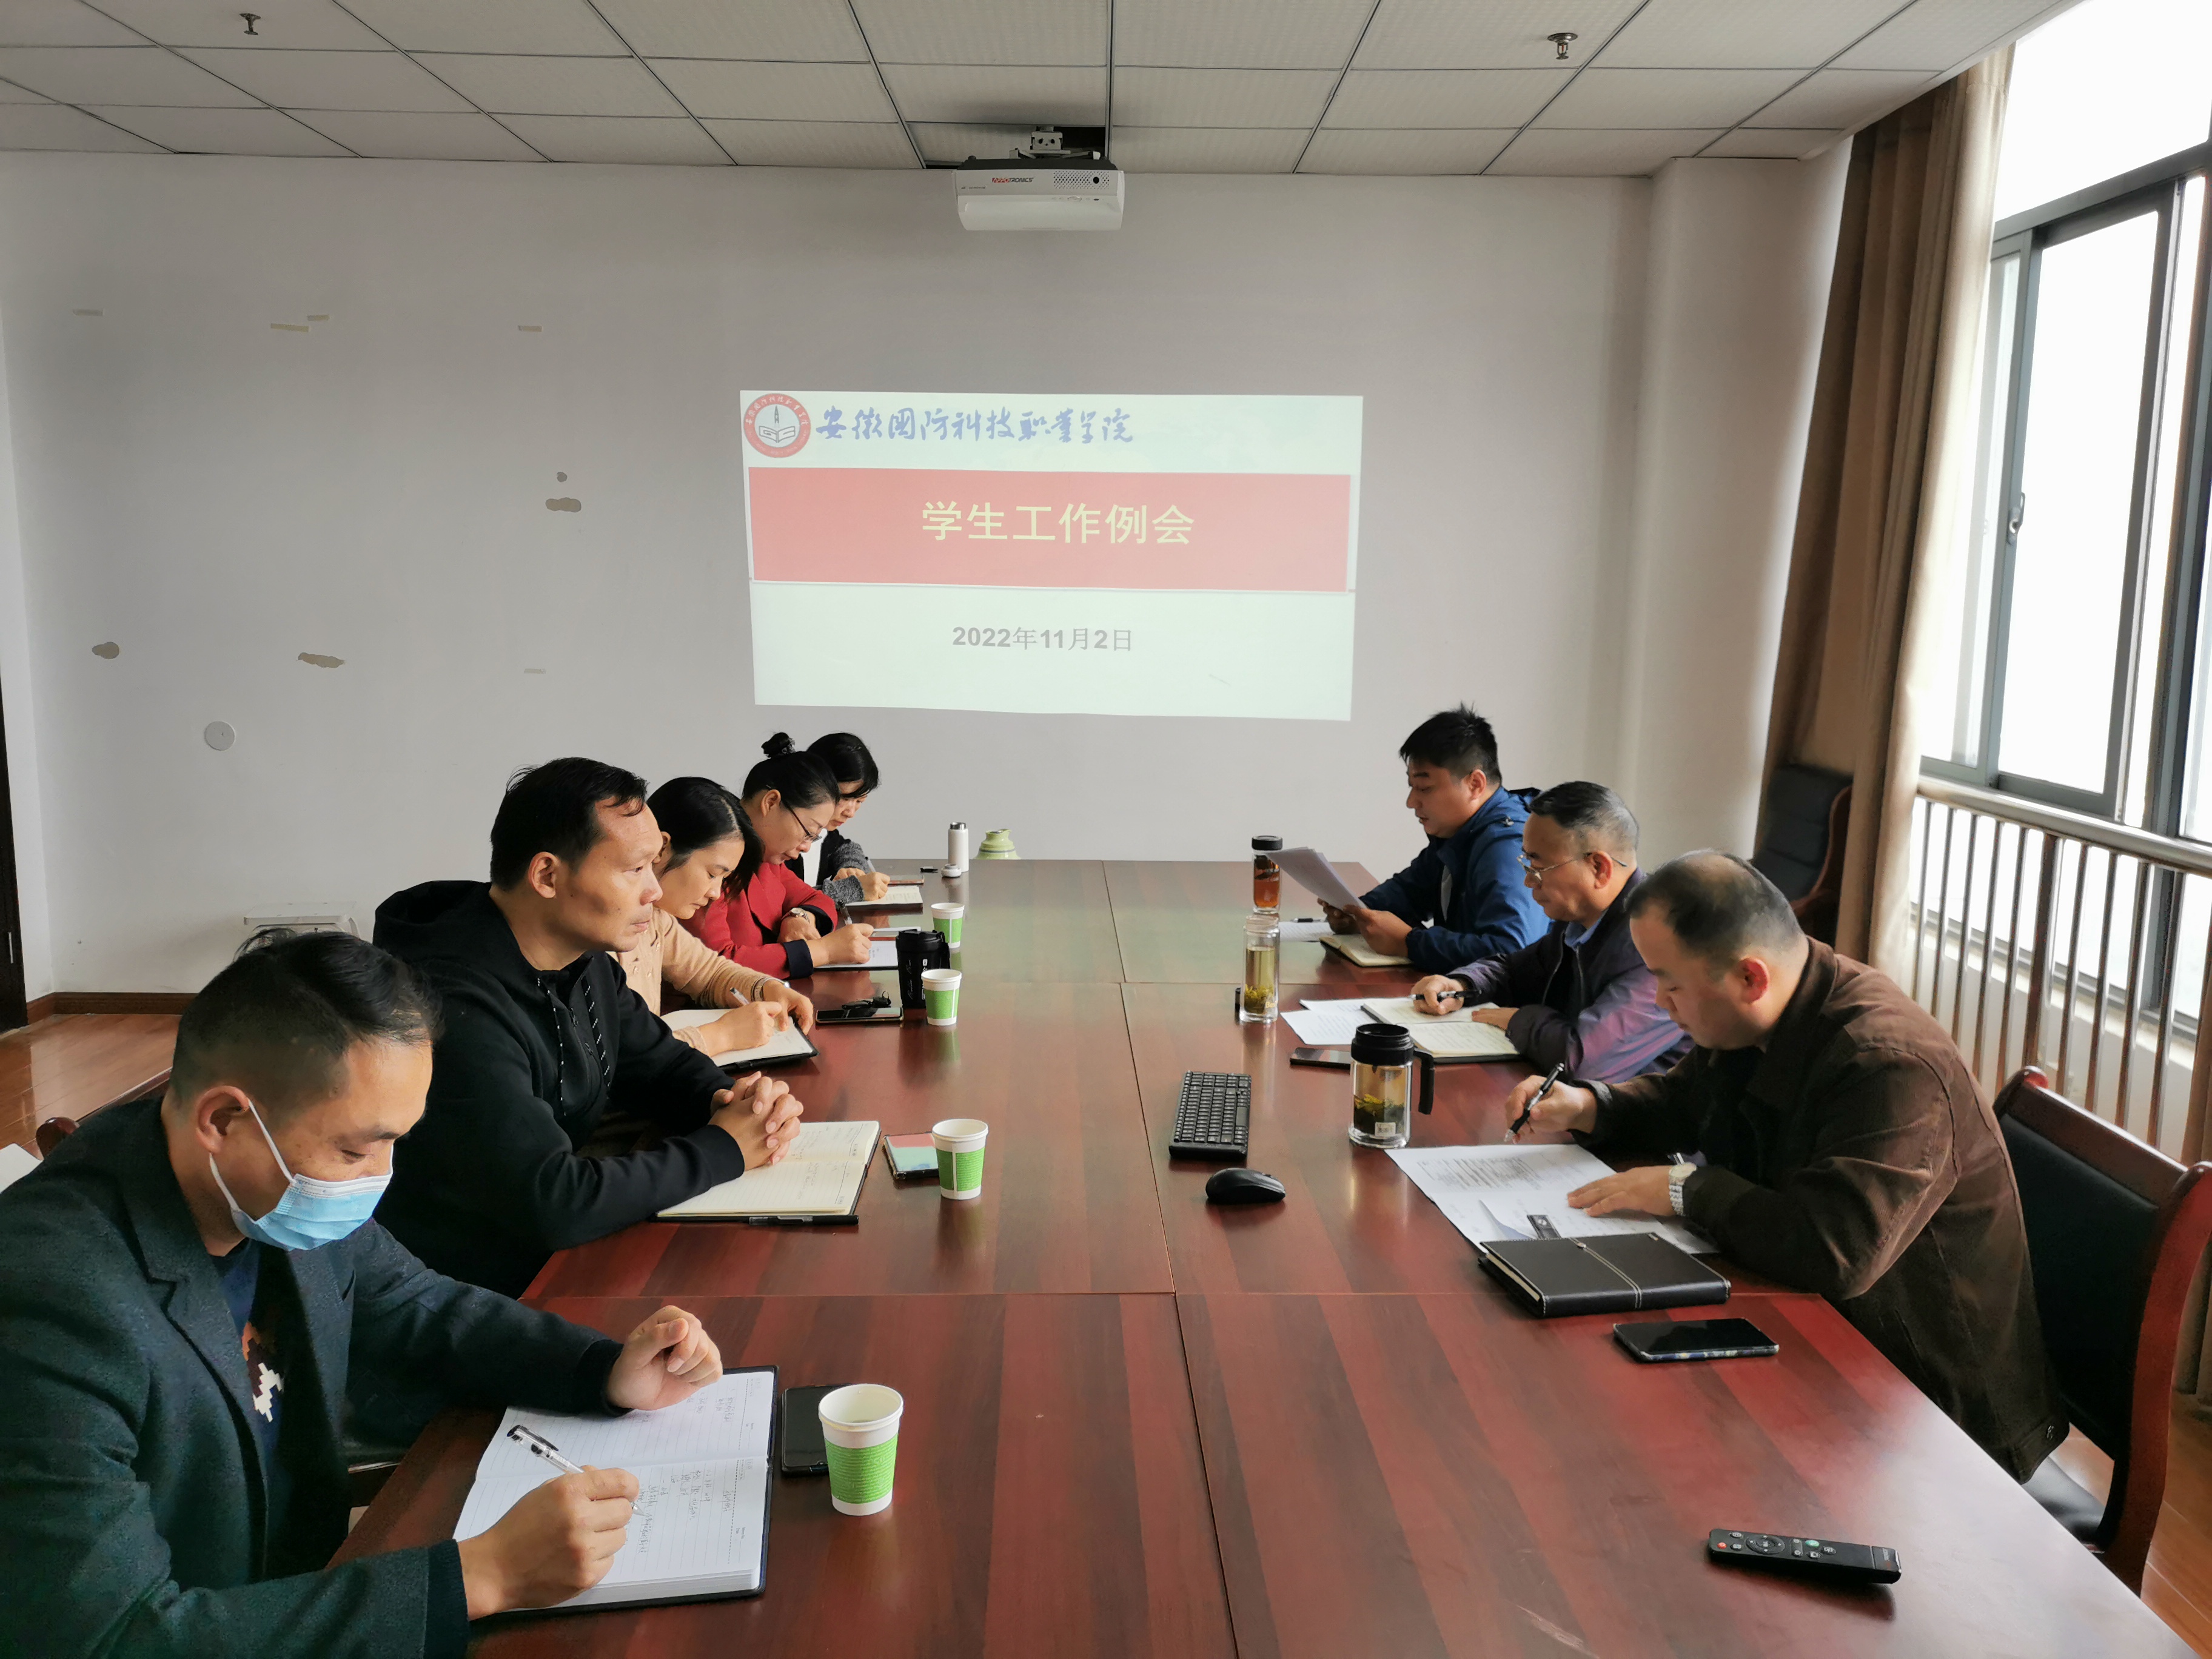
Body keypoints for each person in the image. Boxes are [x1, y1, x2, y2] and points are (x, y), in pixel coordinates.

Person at [0, 930, 734, 1656]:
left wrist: (601, 1370)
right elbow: (108, 1638)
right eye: (356, 1148)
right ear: (223, 1120)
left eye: (394, 1142)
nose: (379, 1176)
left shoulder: (265, 1184)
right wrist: (481, 1577)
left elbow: (418, 1305)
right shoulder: (53, 1301)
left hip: (308, 1591)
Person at [1503, 851, 2066, 1480]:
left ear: (1750, 977)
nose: (1660, 1002)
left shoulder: (1888, 1063)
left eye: (1670, 983)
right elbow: (1686, 1102)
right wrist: (1591, 1105)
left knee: (1647, 1458)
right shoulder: (1763, 1009)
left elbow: (1836, 1251)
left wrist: (1688, 1190)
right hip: (1813, 1330)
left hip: (1928, 1403)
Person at [373, 757, 805, 1296]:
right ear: (547, 876)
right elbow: (553, 1200)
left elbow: (658, 1062)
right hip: (465, 1288)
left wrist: (730, 1100)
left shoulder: (583, 956)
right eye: (635, 869)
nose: (654, 891)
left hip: (551, 1253)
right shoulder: (450, 1003)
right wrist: (726, 1148)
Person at [1406, 781, 1689, 1084]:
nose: (1529, 882)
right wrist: (1461, 985)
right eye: (1527, 863)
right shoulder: (1579, 919)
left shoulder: (1657, 945)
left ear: (1598, 868)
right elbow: (1514, 970)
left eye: (1538, 867)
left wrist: (1519, 1020)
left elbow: (1583, 1062)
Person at [1321, 705, 1547, 972]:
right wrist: (1358, 913)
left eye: (1425, 788)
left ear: (1475, 784)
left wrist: (1409, 943)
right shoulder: (1460, 832)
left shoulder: (1508, 845)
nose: (1411, 802)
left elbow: (1512, 951)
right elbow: (1410, 892)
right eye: (1412, 787)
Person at [621, 775, 816, 1053]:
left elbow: (709, 973)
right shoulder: (606, 932)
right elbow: (623, 1057)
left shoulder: (658, 919)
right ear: (662, 848)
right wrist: (722, 1036)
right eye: (713, 874)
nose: (715, 893)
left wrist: (768, 989)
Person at [685, 737, 874, 977]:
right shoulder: (712, 858)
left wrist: (799, 917)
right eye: (807, 833)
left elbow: (817, 898)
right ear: (771, 802)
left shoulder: (768, 858)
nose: (806, 848)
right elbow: (716, 964)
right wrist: (823, 951)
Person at [790, 731, 893, 905]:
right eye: (845, 798)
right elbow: (785, 902)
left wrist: (851, 869)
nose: (851, 812)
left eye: (860, 801)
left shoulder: (822, 833)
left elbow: (846, 847)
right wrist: (854, 889)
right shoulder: (781, 842)